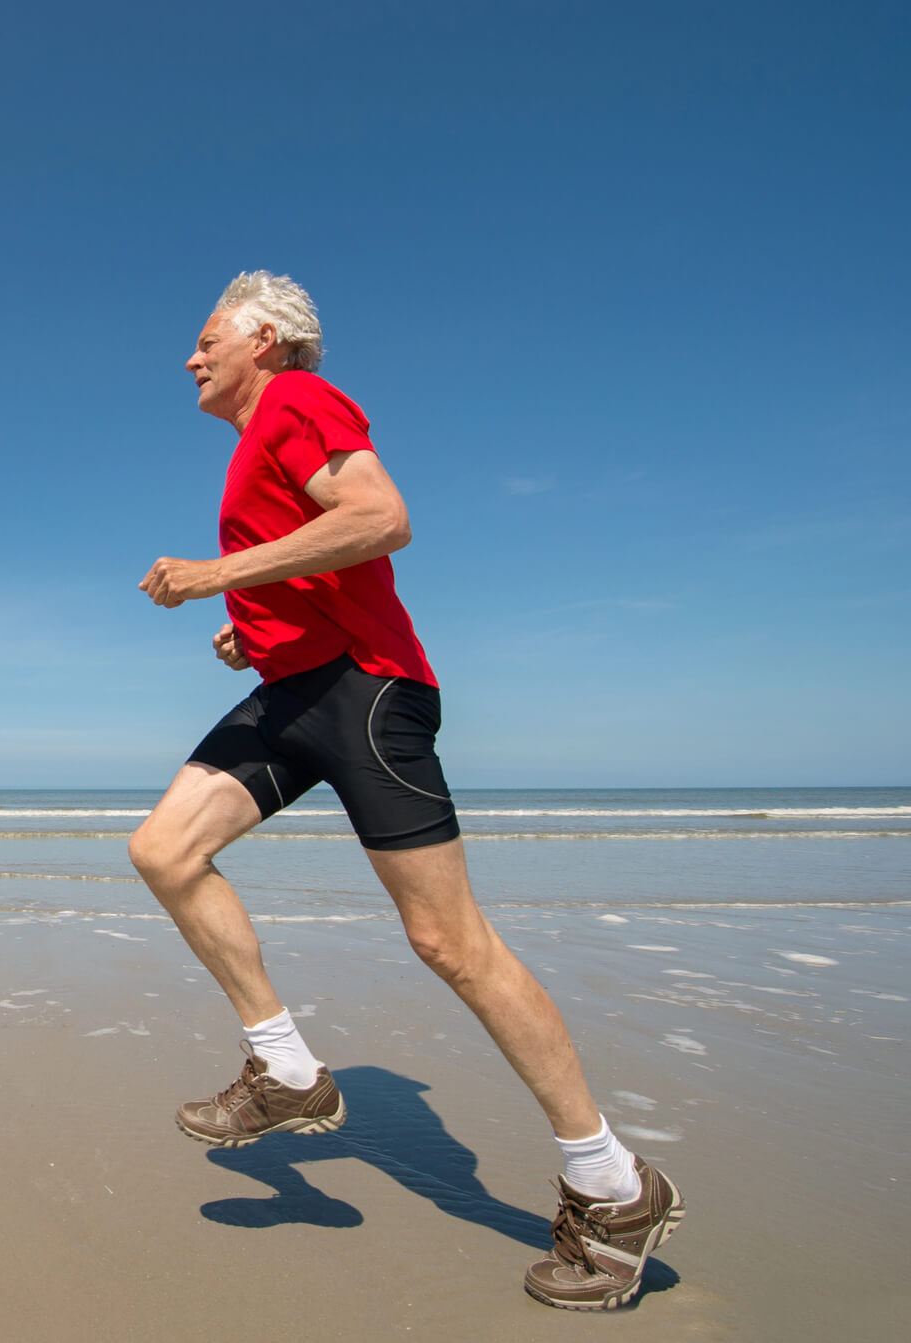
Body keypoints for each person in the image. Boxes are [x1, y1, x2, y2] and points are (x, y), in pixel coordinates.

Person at [130, 271, 685, 1311]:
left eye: (206, 337)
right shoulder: (255, 439)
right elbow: (311, 555)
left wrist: (215, 573)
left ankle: (612, 1185)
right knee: (163, 848)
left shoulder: (297, 398)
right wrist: (247, 613)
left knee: (447, 943)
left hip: (364, 689)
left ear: (266, 337)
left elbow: (379, 517)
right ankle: (286, 1070)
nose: (191, 356)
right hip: (295, 689)